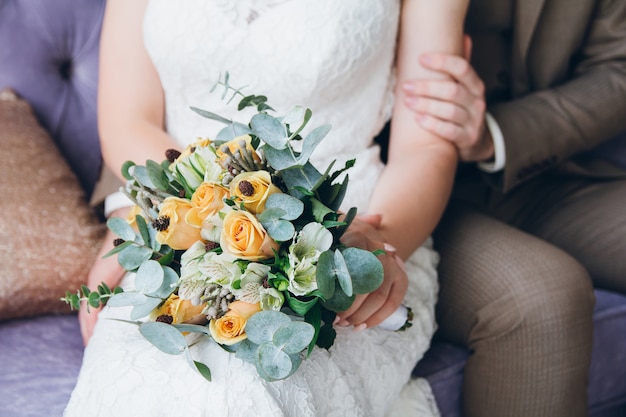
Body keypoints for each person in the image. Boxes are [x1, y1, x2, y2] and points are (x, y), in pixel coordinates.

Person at [65, 1, 469, 416]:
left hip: (353, 227)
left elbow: (425, 144)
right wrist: (184, 211)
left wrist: (373, 245)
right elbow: (127, 123)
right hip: (185, 225)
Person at [400, 1, 626, 416]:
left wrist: (496, 135)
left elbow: (619, 68)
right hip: (396, 185)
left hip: (540, 170)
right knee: (543, 297)